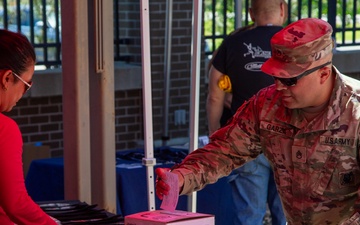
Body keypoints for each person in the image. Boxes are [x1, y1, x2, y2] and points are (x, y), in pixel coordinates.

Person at [155, 18, 360, 224]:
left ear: (323, 73)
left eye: (289, 79)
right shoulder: (267, 104)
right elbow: (225, 150)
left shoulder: (355, 113)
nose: (279, 87)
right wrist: (181, 177)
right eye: (275, 77)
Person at [206, 0, 287, 224]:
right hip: (290, 140)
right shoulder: (295, 43)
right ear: (283, 9)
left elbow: (215, 95)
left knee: (249, 215)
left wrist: (215, 136)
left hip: (246, 139)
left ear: (251, 13)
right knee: (289, 215)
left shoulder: (232, 43)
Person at [0, 29, 60, 224]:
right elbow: (16, 203)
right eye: (27, 85)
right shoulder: (4, 129)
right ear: (7, 78)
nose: (24, 94)